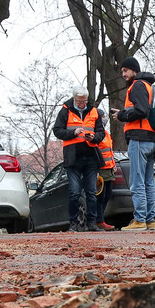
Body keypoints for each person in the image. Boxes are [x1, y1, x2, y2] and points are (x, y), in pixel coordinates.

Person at [111, 56, 155, 230]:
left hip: (139, 139)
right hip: (150, 138)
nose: (123, 74)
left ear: (134, 70)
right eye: (122, 71)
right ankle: (150, 220)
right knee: (148, 183)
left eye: (125, 70)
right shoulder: (148, 86)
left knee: (137, 182)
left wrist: (122, 115)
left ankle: (139, 220)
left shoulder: (137, 86)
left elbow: (141, 110)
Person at [52, 86, 106, 232]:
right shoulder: (65, 110)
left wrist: (94, 137)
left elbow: (101, 132)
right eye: (79, 101)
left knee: (91, 192)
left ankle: (91, 223)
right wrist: (73, 133)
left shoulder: (93, 111)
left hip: (90, 157)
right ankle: (74, 223)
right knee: (74, 192)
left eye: (84, 101)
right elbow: (57, 130)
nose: (82, 104)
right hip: (73, 157)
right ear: (74, 99)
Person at [91, 107, 117, 230]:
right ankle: (99, 221)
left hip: (109, 169)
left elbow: (109, 151)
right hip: (100, 170)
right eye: (102, 117)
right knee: (100, 196)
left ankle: (99, 219)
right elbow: (95, 153)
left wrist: (114, 164)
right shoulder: (96, 135)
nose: (104, 119)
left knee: (108, 195)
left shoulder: (107, 134)